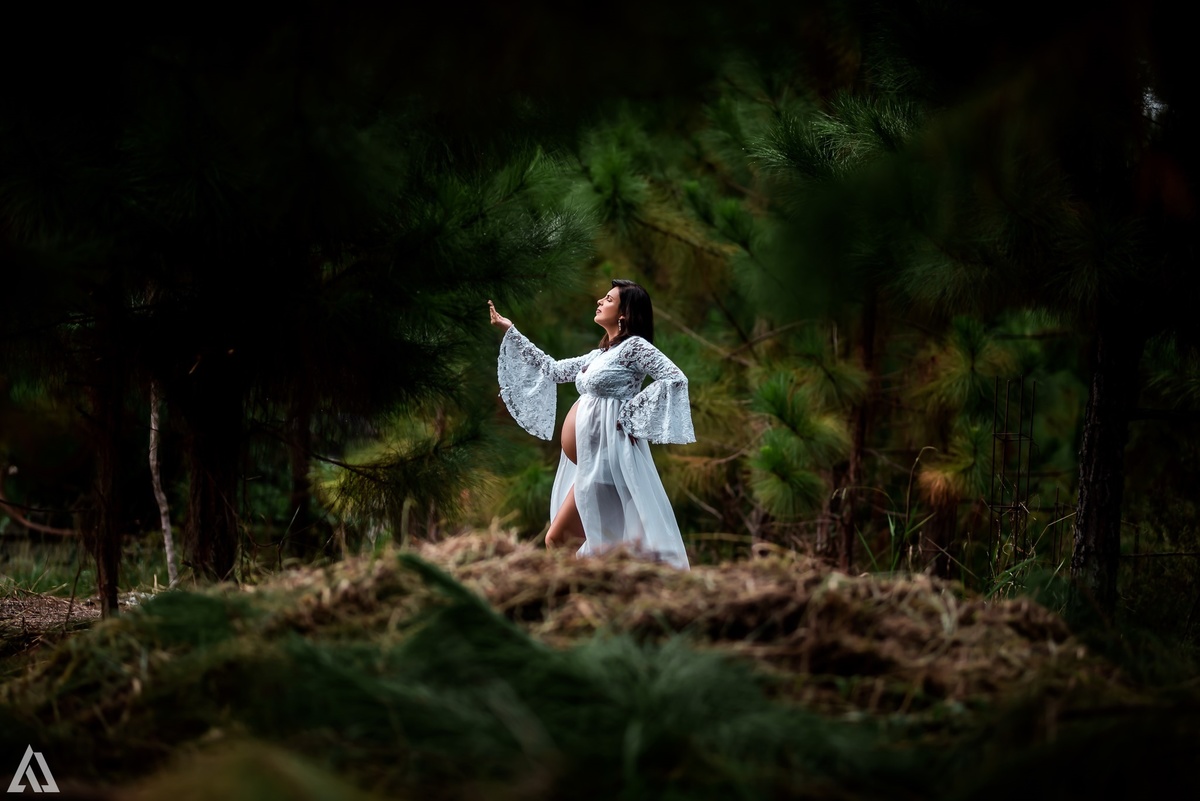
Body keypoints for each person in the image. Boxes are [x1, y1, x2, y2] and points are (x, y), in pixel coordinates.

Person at [488, 279, 695, 569]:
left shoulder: (634, 348)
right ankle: (578, 598)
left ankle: (585, 599)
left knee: (576, 544)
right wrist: (511, 331)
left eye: (608, 299)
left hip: (609, 462)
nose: (599, 301)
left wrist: (632, 416)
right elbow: (553, 370)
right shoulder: (599, 356)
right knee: (561, 541)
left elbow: (674, 377)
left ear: (624, 314)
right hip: (590, 463)